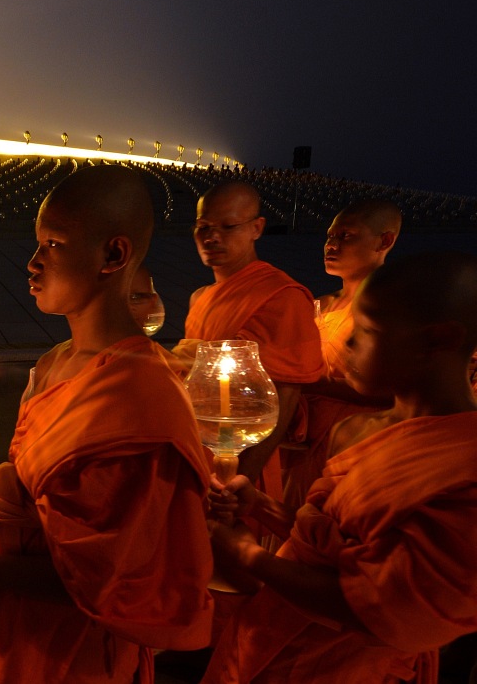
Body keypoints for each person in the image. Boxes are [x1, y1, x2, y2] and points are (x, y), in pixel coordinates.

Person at [0, 166, 214, 682]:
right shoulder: (55, 362)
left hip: (71, 651)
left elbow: (107, 580)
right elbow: (43, 499)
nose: (31, 263)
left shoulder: (140, 399)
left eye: (53, 244)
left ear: (113, 256)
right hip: (13, 622)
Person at [203, 251, 477, 682]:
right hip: (266, 638)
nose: (346, 345)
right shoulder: (363, 427)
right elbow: (339, 545)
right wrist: (259, 506)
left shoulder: (462, 465)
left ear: (437, 340)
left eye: (366, 331)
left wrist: (246, 555)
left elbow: (383, 608)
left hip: (345, 667)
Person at [171, 181, 323, 502]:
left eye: (228, 227)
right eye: (203, 227)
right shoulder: (201, 297)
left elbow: (286, 393)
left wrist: (244, 478)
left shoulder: (281, 296)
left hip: (243, 455)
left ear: (257, 228)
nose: (212, 237)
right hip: (193, 447)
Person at [284, 200, 400, 505]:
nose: (331, 245)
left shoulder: (395, 307)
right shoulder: (320, 305)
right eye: (329, 236)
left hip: (358, 443)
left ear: (384, 241)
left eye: (346, 237)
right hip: (300, 440)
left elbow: (401, 390)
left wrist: (320, 385)